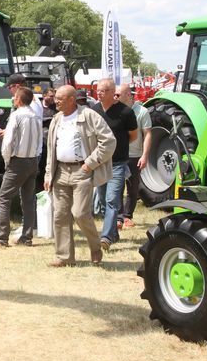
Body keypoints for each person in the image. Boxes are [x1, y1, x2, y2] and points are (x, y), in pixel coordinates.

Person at [44, 85, 115, 267]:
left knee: (80, 213)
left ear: (71, 100)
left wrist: (89, 164)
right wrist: (48, 174)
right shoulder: (56, 119)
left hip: (82, 171)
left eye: (60, 98)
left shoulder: (89, 116)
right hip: (60, 172)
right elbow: (51, 150)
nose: (56, 101)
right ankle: (64, 257)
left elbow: (108, 141)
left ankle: (95, 247)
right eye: (56, 98)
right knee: (60, 215)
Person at [0, 87, 42, 247]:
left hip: (18, 160)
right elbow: (39, 142)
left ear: (19, 100)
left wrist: (7, 161)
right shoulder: (36, 116)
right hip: (32, 159)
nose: (13, 99)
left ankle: (1, 237)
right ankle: (27, 237)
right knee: (28, 199)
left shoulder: (16, 115)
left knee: (3, 198)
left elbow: (8, 142)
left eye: (15, 97)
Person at [92, 78, 138, 251]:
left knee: (112, 200)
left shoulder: (125, 112)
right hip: (100, 163)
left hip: (118, 163)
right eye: (97, 90)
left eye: (103, 90)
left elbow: (133, 135)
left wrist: (120, 147)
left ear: (112, 92)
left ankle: (105, 238)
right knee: (104, 201)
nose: (99, 93)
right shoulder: (94, 110)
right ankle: (114, 234)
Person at [118, 83, 151, 228]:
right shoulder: (114, 110)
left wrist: (144, 155)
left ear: (129, 95)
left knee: (132, 187)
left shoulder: (142, 112)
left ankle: (127, 216)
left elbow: (148, 134)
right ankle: (118, 217)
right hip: (118, 155)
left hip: (134, 155)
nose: (115, 97)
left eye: (118, 94)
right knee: (116, 187)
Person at [37, 87, 57, 192]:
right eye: (51, 96)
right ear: (44, 95)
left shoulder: (55, 108)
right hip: (38, 142)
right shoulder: (38, 106)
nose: (53, 98)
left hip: (50, 142)